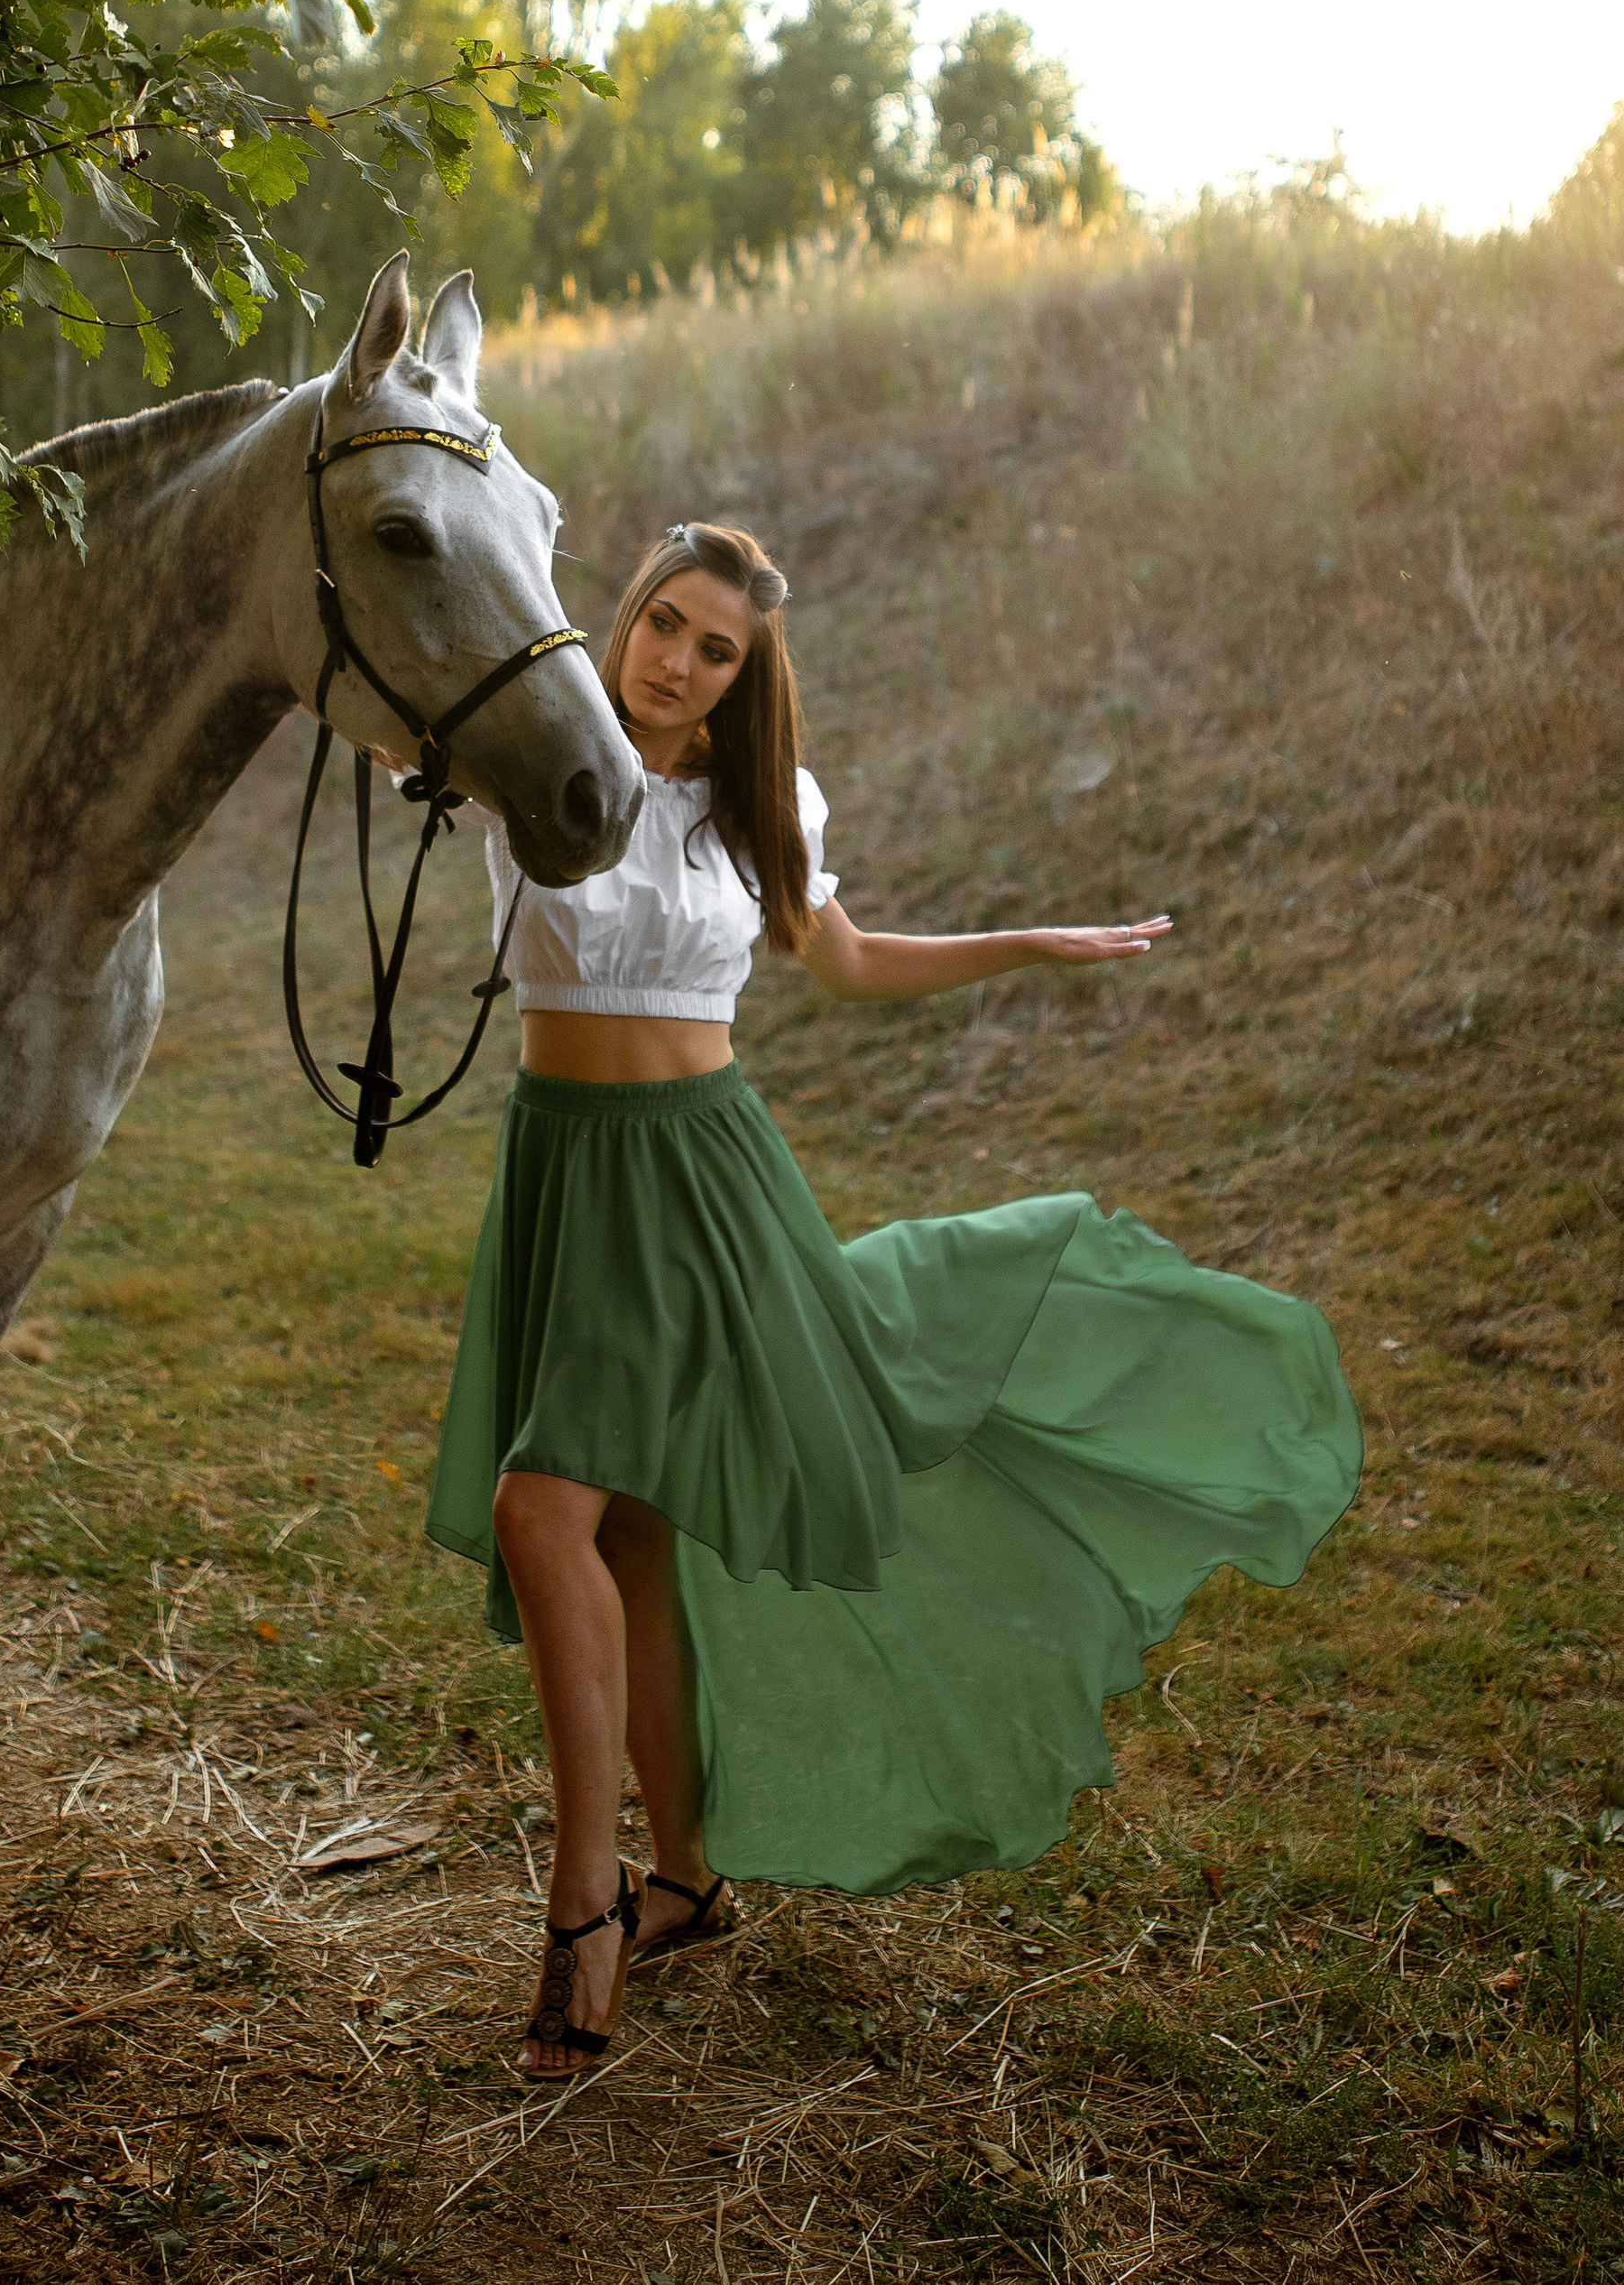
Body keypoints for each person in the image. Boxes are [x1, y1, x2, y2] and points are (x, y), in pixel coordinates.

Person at [420, 522, 1361, 2076]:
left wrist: (1026, 944)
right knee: (622, 1525)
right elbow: (373, 675)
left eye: (716, 647)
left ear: (745, 674)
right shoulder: (534, 753)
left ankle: (587, 1898)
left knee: (544, 1509)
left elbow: (846, 961)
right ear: (626, 612)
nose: (677, 660)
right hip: (565, 1170)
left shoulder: (760, 806)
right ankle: (684, 1875)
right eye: (664, 622)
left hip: (701, 1179)